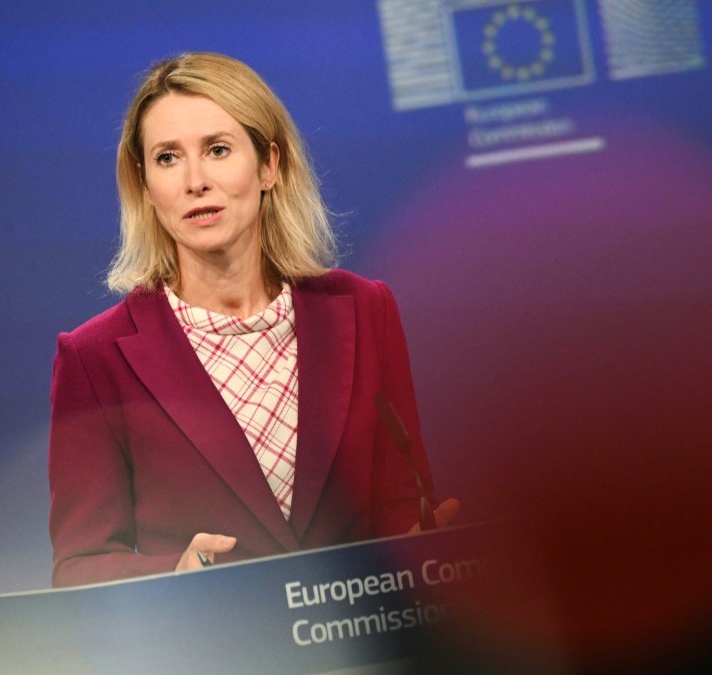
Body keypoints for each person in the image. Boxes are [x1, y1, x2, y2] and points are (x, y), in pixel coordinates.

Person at [48, 52, 457, 587]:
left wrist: (423, 545)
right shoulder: (96, 357)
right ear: (146, 186)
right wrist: (175, 573)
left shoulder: (365, 309)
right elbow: (79, 568)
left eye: (218, 150)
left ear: (270, 166)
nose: (195, 181)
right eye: (168, 158)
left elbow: (404, 503)